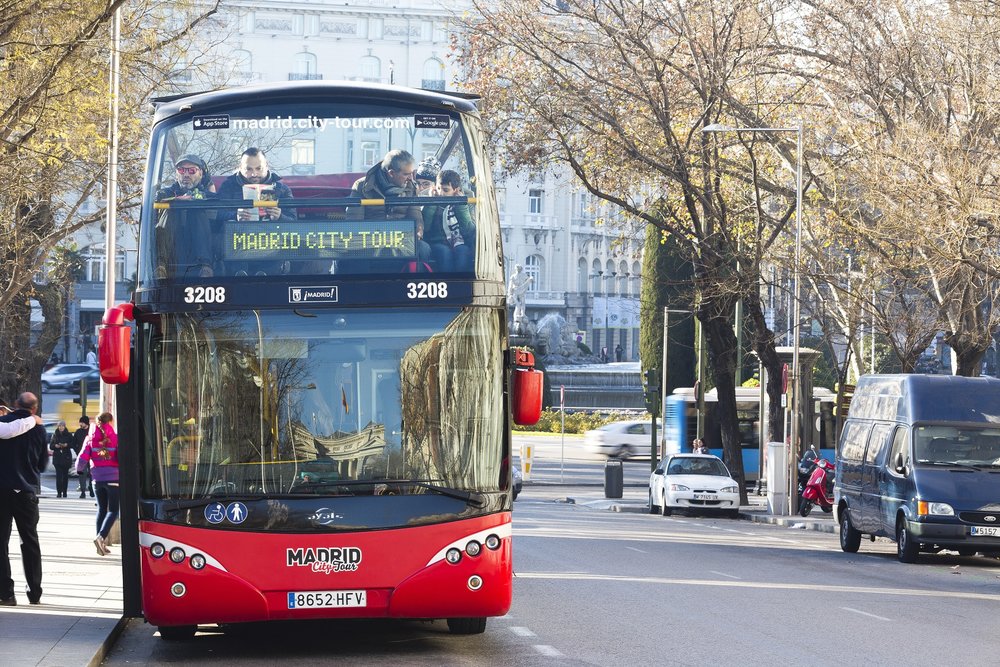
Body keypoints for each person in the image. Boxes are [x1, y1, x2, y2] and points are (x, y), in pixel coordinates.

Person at [0, 393, 48, 605]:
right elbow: (42, 465)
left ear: (15, 404)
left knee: (1, 543)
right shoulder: (38, 428)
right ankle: (34, 592)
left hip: (1, 490)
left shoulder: (3, 424)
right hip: (26, 491)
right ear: (34, 409)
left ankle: (6, 593)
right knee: (29, 541)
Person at [348, 149, 431, 264]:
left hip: (400, 238)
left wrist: (417, 231)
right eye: (406, 174)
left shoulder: (410, 187)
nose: (410, 178)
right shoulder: (362, 186)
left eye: (412, 173)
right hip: (369, 238)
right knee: (351, 254)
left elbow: (415, 216)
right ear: (391, 173)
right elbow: (354, 222)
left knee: (423, 249)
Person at [154, 154, 218, 279]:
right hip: (173, 246)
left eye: (191, 170)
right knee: (171, 207)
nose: (186, 174)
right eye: (181, 170)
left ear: (200, 174)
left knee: (197, 208)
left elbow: (223, 215)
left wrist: (238, 214)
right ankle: (160, 266)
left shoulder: (209, 196)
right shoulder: (165, 194)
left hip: (199, 246)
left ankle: (205, 266)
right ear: (176, 174)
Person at [76, 412, 119, 556]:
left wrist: (79, 470)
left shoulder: (90, 439)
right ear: (110, 422)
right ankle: (100, 537)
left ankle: (99, 543)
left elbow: (82, 458)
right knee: (113, 510)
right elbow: (121, 457)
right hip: (114, 479)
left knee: (101, 509)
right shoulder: (115, 438)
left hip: (97, 479)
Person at [217, 147, 296, 223]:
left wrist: (280, 217)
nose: (254, 174)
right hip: (239, 234)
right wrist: (235, 216)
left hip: (271, 235)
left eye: (259, 168)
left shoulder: (282, 189)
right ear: (240, 167)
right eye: (249, 169)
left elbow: (294, 221)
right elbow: (216, 218)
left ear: (266, 166)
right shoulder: (228, 187)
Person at [422, 170, 476, 273]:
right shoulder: (431, 201)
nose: (441, 193)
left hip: (460, 241)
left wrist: (460, 206)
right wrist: (432, 202)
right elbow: (426, 226)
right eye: (438, 189)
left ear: (456, 190)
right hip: (437, 241)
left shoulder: (465, 204)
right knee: (444, 252)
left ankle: (461, 283)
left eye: (446, 190)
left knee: (463, 252)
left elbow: (468, 230)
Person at [48, 421, 75, 499]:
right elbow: (51, 446)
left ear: (65, 426)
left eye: (62, 426)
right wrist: (55, 446)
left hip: (66, 457)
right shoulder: (55, 435)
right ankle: (59, 492)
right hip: (57, 458)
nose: (61, 427)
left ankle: (65, 492)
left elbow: (72, 444)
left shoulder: (69, 435)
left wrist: (67, 445)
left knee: (65, 476)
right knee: (59, 477)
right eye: (60, 426)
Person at [507, 263, 533, 330]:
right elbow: (510, 286)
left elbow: (530, 281)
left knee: (523, 303)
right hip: (515, 291)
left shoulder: (524, 275)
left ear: (521, 269)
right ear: (515, 269)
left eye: (519, 268)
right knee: (518, 305)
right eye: (517, 268)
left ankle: (523, 314)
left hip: (522, 291)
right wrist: (509, 294)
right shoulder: (513, 276)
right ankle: (516, 316)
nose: (518, 269)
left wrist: (531, 279)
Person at [73, 416, 94, 499]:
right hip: (82, 456)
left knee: (92, 473)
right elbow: (74, 443)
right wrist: (78, 452)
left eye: (81, 422)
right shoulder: (78, 432)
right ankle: (82, 492)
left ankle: (91, 488)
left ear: (85, 423)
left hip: (91, 456)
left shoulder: (91, 432)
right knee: (82, 474)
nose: (80, 424)